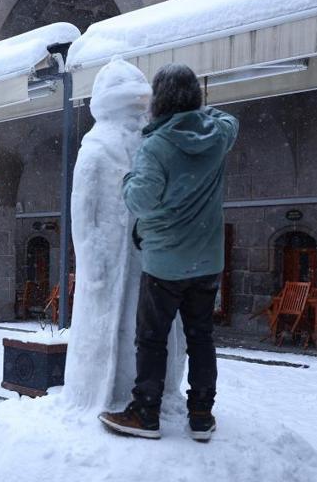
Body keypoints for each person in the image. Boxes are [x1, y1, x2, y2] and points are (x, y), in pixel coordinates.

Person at [98, 63, 239, 442]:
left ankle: (145, 412)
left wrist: (128, 179)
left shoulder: (155, 147)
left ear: (158, 101)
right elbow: (228, 119)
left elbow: (140, 201)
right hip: (207, 260)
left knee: (152, 337)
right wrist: (197, 112)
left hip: (165, 264)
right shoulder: (218, 134)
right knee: (201, 336)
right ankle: (201, 414)